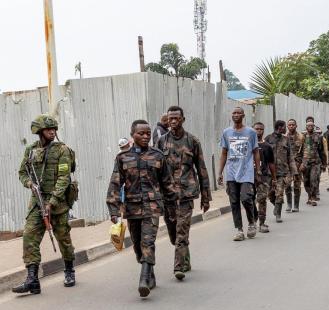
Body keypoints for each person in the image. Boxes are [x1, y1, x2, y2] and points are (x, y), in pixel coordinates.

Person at [107, 119, 175, 298]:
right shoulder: (123, 158)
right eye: (141, 133)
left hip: (152, 207)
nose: (145, 136)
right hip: (132, 208)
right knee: (137, 245)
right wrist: (113, 210)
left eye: (147, 133)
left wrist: (171, 208)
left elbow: (167, 183)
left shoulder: (158, 156)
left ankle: (143, 279)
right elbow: (115, 184)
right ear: (132, 135)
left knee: (148, 241)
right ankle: (149, 272)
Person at [13, 114, 77, 295]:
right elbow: (22, 173)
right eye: (48, 129)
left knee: (63, 238)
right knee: (29, 237)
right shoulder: (31, 150)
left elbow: (64, 178)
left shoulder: (62, 150)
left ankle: (69, 270)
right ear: (39, 131)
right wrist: (29, 184)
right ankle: (32, 279)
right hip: (37, 201)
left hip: (58, 202)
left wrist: (52, 202)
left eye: (54, 129)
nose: (52, 132)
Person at [156, 105, 211, 280]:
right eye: (170, 118)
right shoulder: (161, 142)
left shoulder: (192, 141)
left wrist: (206, 196)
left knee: (182, 231)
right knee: (173, 233)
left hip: (186, 195)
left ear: (183, 119)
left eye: (176, 118)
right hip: (167, 196)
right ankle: (185, 258)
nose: (173, 121)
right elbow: (154, 170)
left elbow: (201, 169)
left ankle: (178, 268)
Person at [217, 107, 260, 241]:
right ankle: (239, 230)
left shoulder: (251, 132)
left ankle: (252, 223)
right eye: (233, 113)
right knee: (234, 202)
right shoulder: (227, 132)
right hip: (231, 173)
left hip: (246, 172)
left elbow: (256, 152)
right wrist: (220, 172)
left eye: (238, 113)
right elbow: (224, 153)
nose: (235, 115)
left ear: (243, 115)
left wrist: (257, 170)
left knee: (246, 198)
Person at [265, 120, 297, 223]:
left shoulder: (286, 139)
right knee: (270, 194)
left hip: (282, 172)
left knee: (279, 193)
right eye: (284, 127)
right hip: (269, 173)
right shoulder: (268, 138)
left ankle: (278, 214)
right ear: (279, 127)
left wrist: (294, 171)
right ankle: (276, 206)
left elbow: (290, 156)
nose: (286, 129)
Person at [253, 122, 275, 233]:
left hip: (263, 177)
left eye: (261, 129)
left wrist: (274, 179)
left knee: (262, 199)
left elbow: (271, 163)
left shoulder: (267, 146)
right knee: (249, 199)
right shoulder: (247, 144)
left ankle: (262, 223)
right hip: (249, 177)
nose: (259, 131)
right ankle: (253, 220)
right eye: (256, 129)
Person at [301, 120, 327, 206]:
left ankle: (312, 197)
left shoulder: (318, 137)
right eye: (308, 126)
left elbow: (322, 151)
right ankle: (309, 196)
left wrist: (324, 164)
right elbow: (299, 151)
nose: (310, 127)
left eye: (312, 126)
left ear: (314, 127)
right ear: (306, 127)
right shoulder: (302, 137)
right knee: (305, 181)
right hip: (305, 162)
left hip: (315, 162)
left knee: (313, 180)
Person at [285, 119, 305, 213]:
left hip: (298, 165)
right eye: (289, 125)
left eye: (293, 125)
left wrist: (303, 163)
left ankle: (296, 205)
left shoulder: (301, 137)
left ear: (296, 126)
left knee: (297, 185)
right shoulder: (284, 137)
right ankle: (289, 204)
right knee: (287, 184)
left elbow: (306, 151)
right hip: (287, 166)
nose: (291, 126)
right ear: (287, 126)